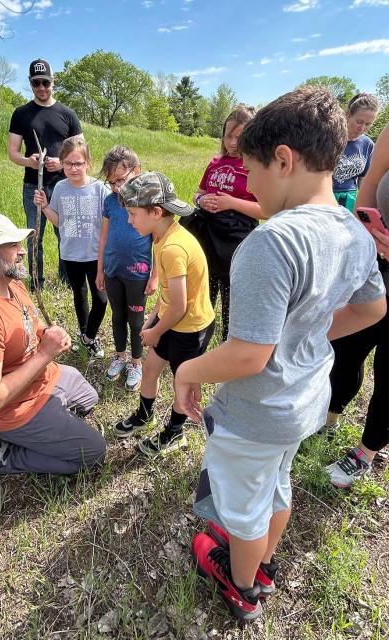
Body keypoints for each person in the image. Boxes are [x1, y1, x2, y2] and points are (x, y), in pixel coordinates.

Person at [173, 87, 387, 621]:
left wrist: (188, 369)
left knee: (243, 508)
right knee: (278, 483)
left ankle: (241, 583)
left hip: (258, 412)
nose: (247, 182)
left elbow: (248, 355)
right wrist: (306, 336)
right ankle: (264, 561)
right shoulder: (352, 231)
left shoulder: (270, 243)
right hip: (306, 400)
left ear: (284, 160)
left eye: (250, 169)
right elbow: (372, 309)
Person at [0, 214, 106, 475]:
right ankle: (3, 455)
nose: (22, 251)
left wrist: (46, 332)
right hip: (13, 409)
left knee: (90, 398)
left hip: (44, 378)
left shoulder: (12, 283)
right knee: (93, 453)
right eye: (12, 245)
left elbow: (29, 323)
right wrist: (44, 353)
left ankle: (47, 423)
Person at [113, 172, 215, 457]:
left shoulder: (172, 248)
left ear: (156, 212)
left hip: (190, 327)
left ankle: (174, 432)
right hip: (171, 319)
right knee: (150, 368)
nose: (129, 220)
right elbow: (168, 294)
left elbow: (181, 306)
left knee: (180, 381)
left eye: (133, 213)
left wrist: (156, 331)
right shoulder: (161, 237)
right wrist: (152, 320)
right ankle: (146, 415)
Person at [325, 122, 389, 488]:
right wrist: (362, 236)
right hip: (376, 262)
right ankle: (330, 417)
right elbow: (367, 188)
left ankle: (366, 451)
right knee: (346, 347)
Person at [8, 58, 83, 290]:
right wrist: (29, 162)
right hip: (33, 185)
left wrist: (61, 164)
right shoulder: (21, 114)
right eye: (36, 83)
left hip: (63, 185)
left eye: (45, 82)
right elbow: (12, 152)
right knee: (35, 236)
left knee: (66, 234)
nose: (41, 87)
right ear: (30, 83)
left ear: (53, 82)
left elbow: (80, 150)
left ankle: (67, 280)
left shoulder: (68, 114)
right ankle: (36, 283)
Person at [188, 105, 261, 341]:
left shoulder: (256, 166)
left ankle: (228, 344)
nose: (232, 142)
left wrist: (232, 203)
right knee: (204, 295)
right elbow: (197, 192)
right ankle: (198, 339)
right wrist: (201, 200)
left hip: (236, 242)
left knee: (232, 302)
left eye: (238, 137)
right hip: (209, 239)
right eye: (228, 135)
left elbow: (266, 210)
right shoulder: (215, 163)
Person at [34, 138, 108, 358]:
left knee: (101, 299)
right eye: (68, 163)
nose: (74, 168)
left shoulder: (99, 189)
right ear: (62, 164)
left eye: (78, 163)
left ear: (88, 163)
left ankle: (89, 336)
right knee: (79, 293)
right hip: (70, 253)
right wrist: (45, 206)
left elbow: (108, 222)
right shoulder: (60, 188)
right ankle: (86, 336)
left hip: (96, 255)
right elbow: (59, 221)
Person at [96, 146, 158, 391]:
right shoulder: (109, 202)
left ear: (137, 171)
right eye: (111, 183)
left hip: (138, 275)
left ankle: (136, 362)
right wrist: (100, 270)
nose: (117, 187)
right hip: (113, 271)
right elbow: (103, 238)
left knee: (136, 321)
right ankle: (120, 357)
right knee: (117, 316)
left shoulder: (148, 203)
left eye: (121, 180)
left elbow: (158, 241)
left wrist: (155, 276)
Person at [332, 93, 379, 212]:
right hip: (325, 197)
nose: (362, 128)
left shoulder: (367, 144)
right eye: (359, 121)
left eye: (368, 124)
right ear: (348, 115)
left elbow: (364, 181)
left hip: (350, 200)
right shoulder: (329, 138)